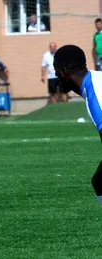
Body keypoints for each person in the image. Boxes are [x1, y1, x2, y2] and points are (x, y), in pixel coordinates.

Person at [53, 45, 102, 206]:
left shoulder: (95, 94)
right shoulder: (94, 80)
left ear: (64, 71)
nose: (55, 74)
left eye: (56, 69)